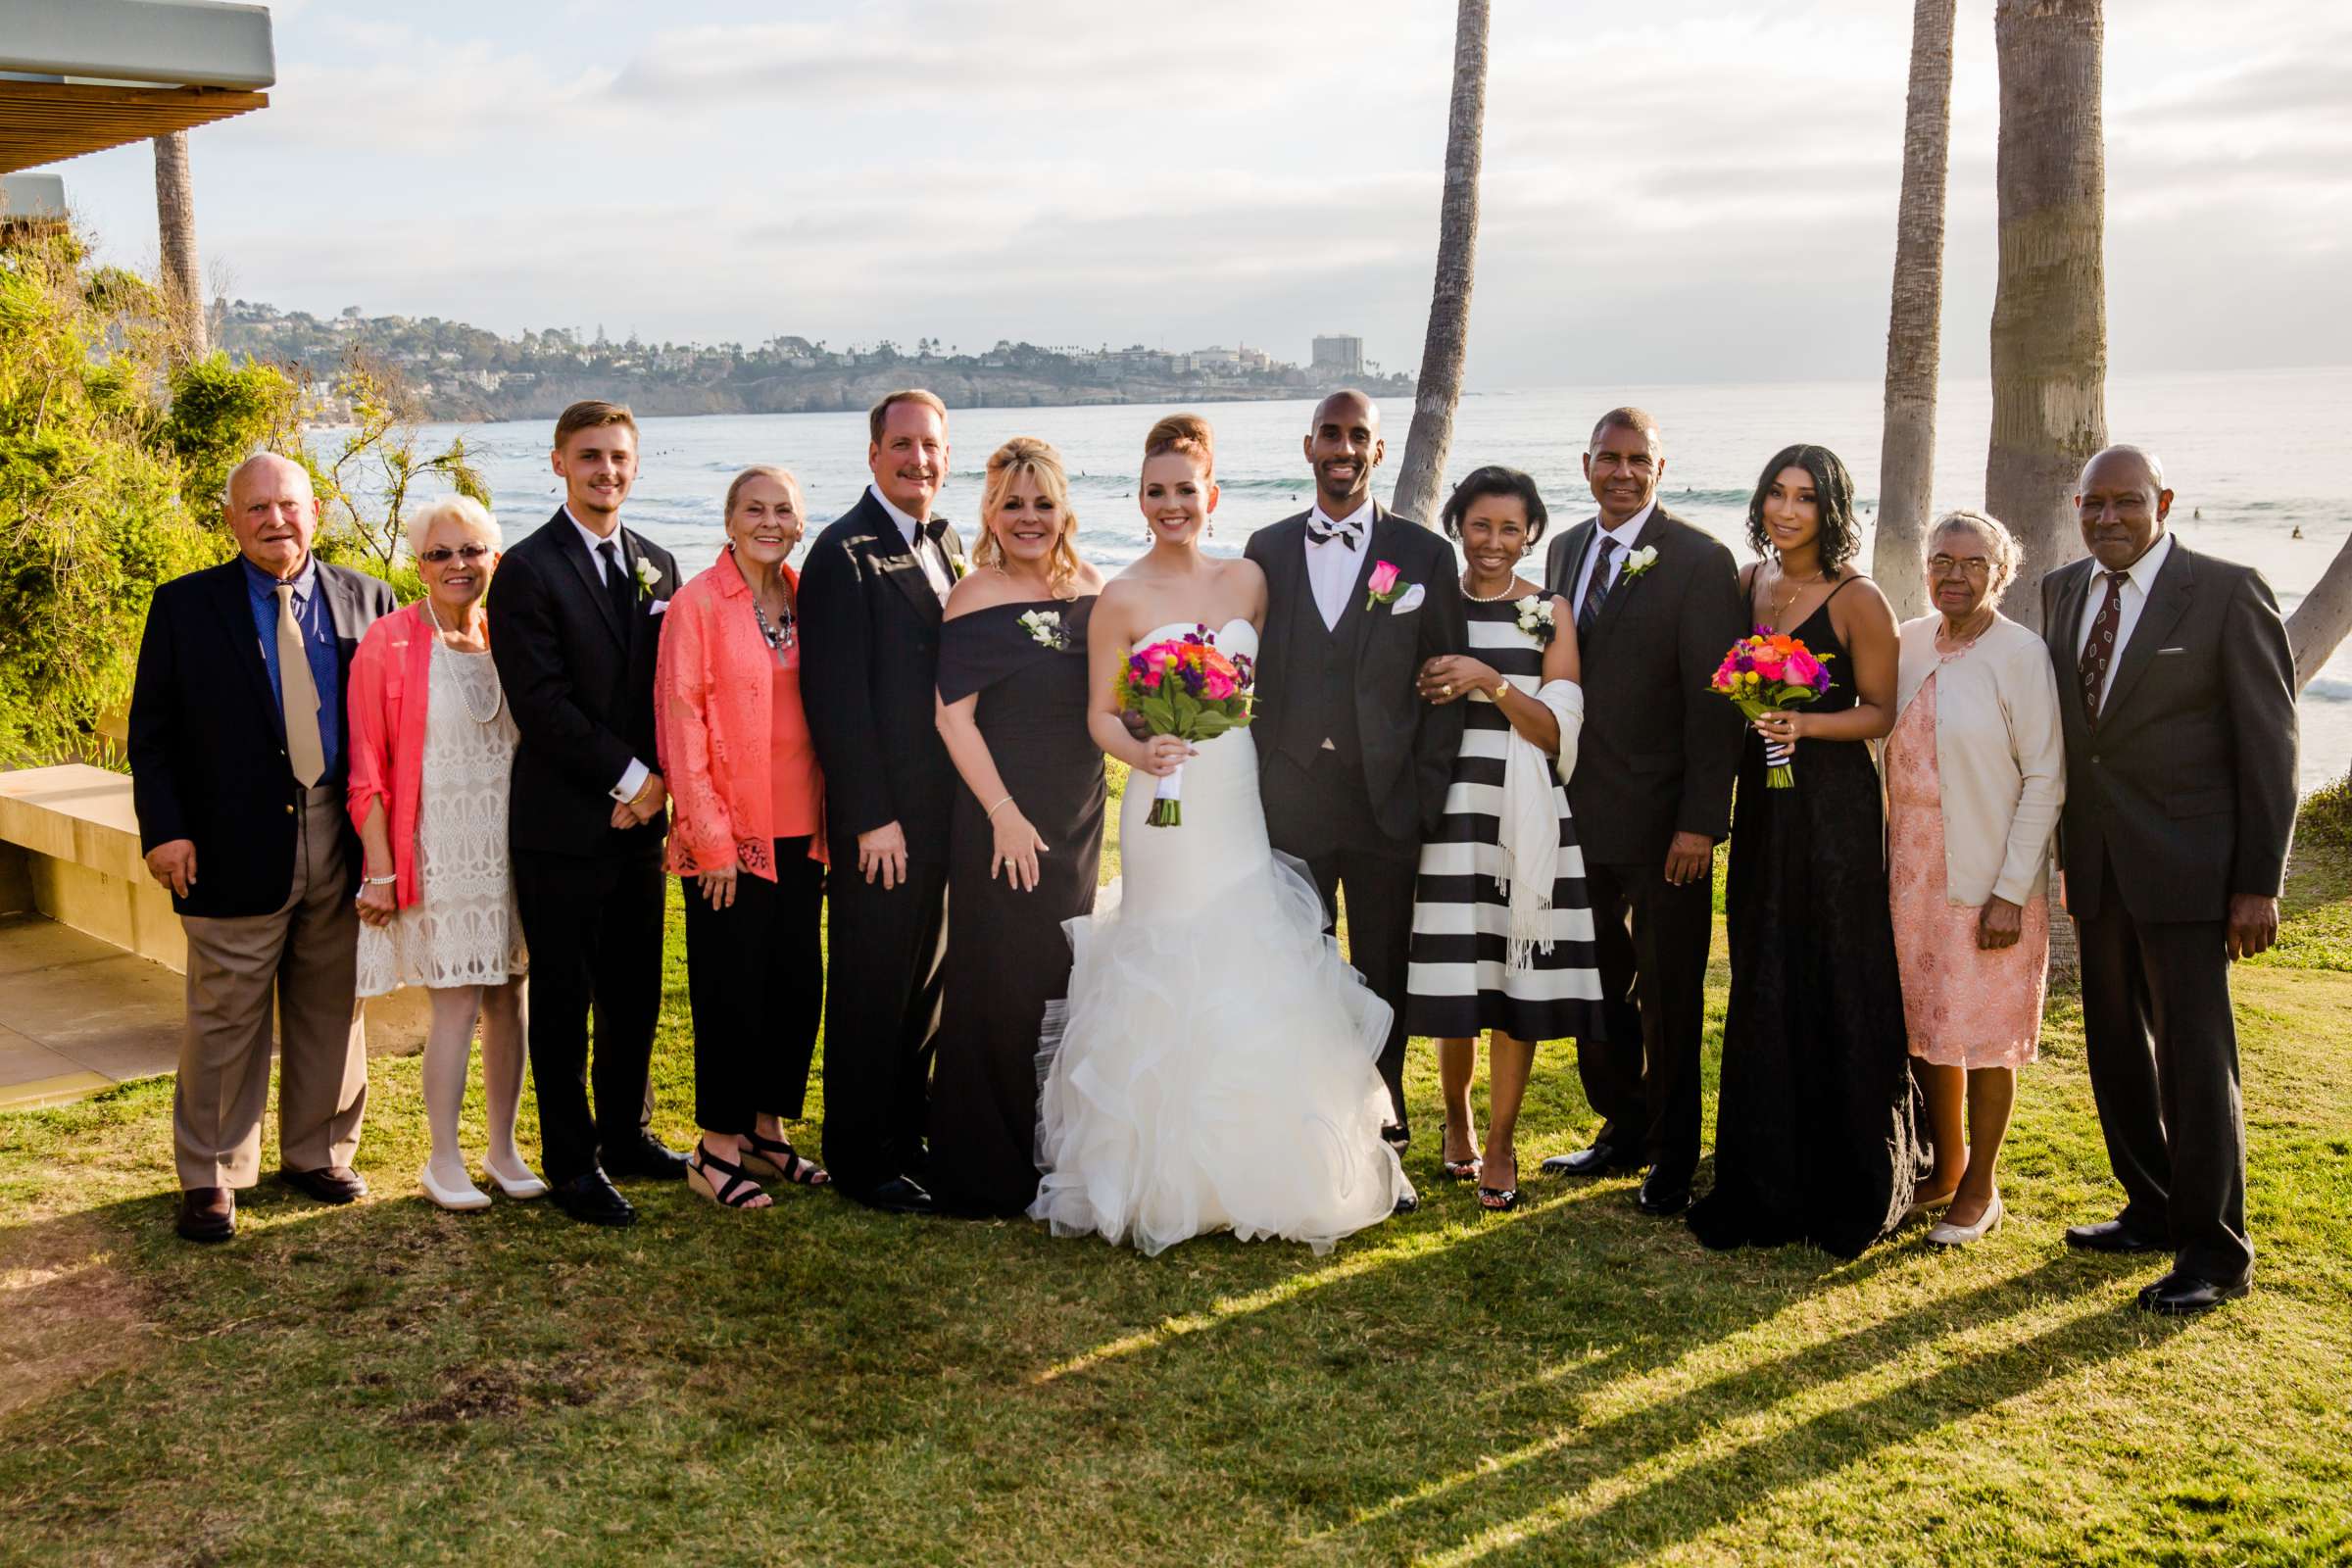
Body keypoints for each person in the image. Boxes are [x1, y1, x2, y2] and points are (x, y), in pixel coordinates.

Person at [1031, 414, 1413, 1255]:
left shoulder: (1248, 582)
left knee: (1249, 944)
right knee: (1166, 949)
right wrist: (1145, 746)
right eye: (1157, 491)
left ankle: (1265, 1161)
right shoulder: (1119, 598)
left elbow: (1288, 682)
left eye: (1186, 489)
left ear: (1212, 493)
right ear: (1139, 499)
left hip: (1238, 792)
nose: (1173, 505)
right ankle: (1154, 1167)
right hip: (1164, 801)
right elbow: (1100, 714)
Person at [2041, 444, 2296, 1314]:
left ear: (2164, 501)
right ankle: (2148, 1208)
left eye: (2126, 502)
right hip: (2101, 868)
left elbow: (2271, 748)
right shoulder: (2062, 591)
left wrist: (2259, 882)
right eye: (2093, 504)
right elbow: (2084, 740)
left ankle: (2216, 1253)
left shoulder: (2227, 590)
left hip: (2193, 873)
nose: (2108, 518)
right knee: (2114, 1050)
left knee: (2194, 1063)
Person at [128, 453, 394, 1243]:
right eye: (257, 508)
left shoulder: (368, 599)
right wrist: (166, 830)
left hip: (341, 835)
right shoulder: (183, 608)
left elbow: (393, 722)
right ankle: (212, 1172)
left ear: (316, 511)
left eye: (288, 505)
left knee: (331, 1005)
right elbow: (154, 736)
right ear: (230, 520)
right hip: (224, 841)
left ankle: (318, 1152)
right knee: (225, 1013)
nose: (275, 520)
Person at [1685, 443, 1924, 1258]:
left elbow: (1884, 711)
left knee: (1835, 965)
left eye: (1806, 499)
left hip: (1833, 807)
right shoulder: (1752, 585)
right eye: (1777, 494)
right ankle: (1765, 1171)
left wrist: (1806, 723)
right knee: (1765, 961)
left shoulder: (1859, 600)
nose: (1788, 510)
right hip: (1766, 803)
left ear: (1831, 510)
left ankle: (1847, 1173)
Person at [1242, 391, 1467, 1149]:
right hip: (1292, 794)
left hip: (1386, 801)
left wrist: (1427, 793)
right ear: (1308, 447)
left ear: (1377, 452)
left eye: (1358, 436)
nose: (1343, 448)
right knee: (1302, 959)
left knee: (1380, 963)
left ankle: (1384, 1111)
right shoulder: (1265, 548)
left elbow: (1443, 685)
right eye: (1330, 435)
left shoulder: (1425, 554)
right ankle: (1309, 1112)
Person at [1537, 409, 1745, 1218]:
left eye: (1638, 460)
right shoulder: (1563, 550)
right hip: (1576, 813)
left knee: (1670, 994)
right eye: (1609, 459)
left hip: (1666, 827)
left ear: (1662, 468)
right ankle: (1621, 1128)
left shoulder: (1700, 560)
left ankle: (1673, 1152)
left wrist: (1700, 821)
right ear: (1586, 463)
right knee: (1595, 987)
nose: (1622, 473)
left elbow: (1714, 703)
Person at [485, 402, 685, 1228]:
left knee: (634, 989)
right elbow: (541, 700)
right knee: (564, 999)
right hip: (564, 824)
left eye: (620, 458)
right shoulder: (528, 570)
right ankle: (572, 1163)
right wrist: (632, 777)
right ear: (559, 463)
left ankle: (627, 1135)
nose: (608, 471)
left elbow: (671, 687)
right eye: (592, 457)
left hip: (643, 825)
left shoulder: (660, 563)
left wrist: (661, 785)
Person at [1406, 467, 1604, 1212]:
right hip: (1444, 818)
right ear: (1459, 525)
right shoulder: (1428, 605)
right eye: (1481, 525)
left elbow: (1557, 733)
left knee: (1514, 978)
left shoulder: (1548, 612)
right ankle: (1454, 1120)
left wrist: (1489, 680)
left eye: (1511, 529)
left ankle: (1499, 1142)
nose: (1494, 543)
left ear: (1532, 535)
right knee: (1457, 975)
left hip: (1522, 820)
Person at [930, 438, 1108, 1217]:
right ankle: (984, 1163)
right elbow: (951, 716)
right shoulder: (974, 595)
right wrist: (1002, 815)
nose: (1029, 518)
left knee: (1062, 977)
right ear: (990, 515)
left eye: (1042, 503)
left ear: (1063, 508)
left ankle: (1052, 1147)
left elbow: (1110, 704)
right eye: (1013, 504)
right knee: (997, 980)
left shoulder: (1094, 588)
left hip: (1077, 814)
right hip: (1001, 813)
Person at [799, 390, 967, 1213]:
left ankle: (907, 1136)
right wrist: (871, 816)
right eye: (902, 445)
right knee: (870, 984)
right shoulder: (843, 552)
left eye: (930, 446)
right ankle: (860, 1156)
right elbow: (835, 700)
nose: (918, 460)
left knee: (923, 981)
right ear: (874, 454)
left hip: (944, 812)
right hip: (885, 820)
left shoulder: (948, 541)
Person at [347, 494, 539, 1212]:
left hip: (511, 848)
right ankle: (443, 1159)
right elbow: (366, 768)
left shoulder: (509, 635)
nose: (458, 565)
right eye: (441, 553)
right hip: (438, 849)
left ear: (495, 558)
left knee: (512, 996)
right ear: (420, 565)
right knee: (457, 1002)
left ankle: (504, 1146)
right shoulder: (390, 642)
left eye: (472, 551)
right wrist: (381, 870)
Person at [1886, 509, 2063, 1247]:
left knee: (1987, 1037)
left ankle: (1982, 1187)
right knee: (1928, 1028)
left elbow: (2046, 777)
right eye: (1941, 560)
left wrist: (2011, 889)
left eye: (1972, 563)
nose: (1953, 575)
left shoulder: (2021, 654)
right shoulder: (1909, 640)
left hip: (1989, 875)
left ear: (2001, 572)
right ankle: (1946, 1164)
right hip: (1912, 870)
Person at [655, 466, 831, 1210]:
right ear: (728, 520)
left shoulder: (805, 596)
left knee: (795, 985)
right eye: (753, 508)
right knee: (731, 990)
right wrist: (710, 838)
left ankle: (766, 1131)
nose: (769, 520)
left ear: (798, 522)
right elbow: (681, 722)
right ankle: (716, 1147)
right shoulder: (697, 605)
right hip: (728, 837)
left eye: (782, 509)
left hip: (805, 830)